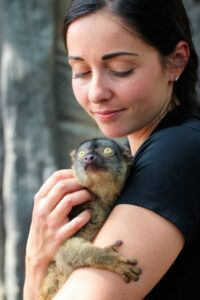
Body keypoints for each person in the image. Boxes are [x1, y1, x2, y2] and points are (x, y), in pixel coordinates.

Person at [23, 0, 200, 299]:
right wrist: (37, 266)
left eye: (121, 69)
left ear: (177, 61)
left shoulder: (176, 151)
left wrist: (36, 260)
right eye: (80, 71)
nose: (96, 93)